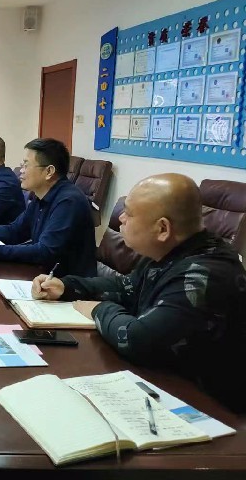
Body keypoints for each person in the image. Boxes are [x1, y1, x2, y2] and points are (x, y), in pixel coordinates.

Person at [31, 174, 246, 412]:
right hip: (166, 383)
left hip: (211, 410)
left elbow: (138, 340)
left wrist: (98, 309)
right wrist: (67, 286)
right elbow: (126, 288)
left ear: (162, 228)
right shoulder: (173, 251)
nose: (121, 218)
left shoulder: (203, 275)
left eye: (129, 213)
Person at [0, 138, 96, 277]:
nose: (21, 171)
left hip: (66, 284)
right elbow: (15, 230)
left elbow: (44, 252)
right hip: (42, 274)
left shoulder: (68, 201)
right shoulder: (41, 196)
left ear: (49, 171)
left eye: (26, 165)